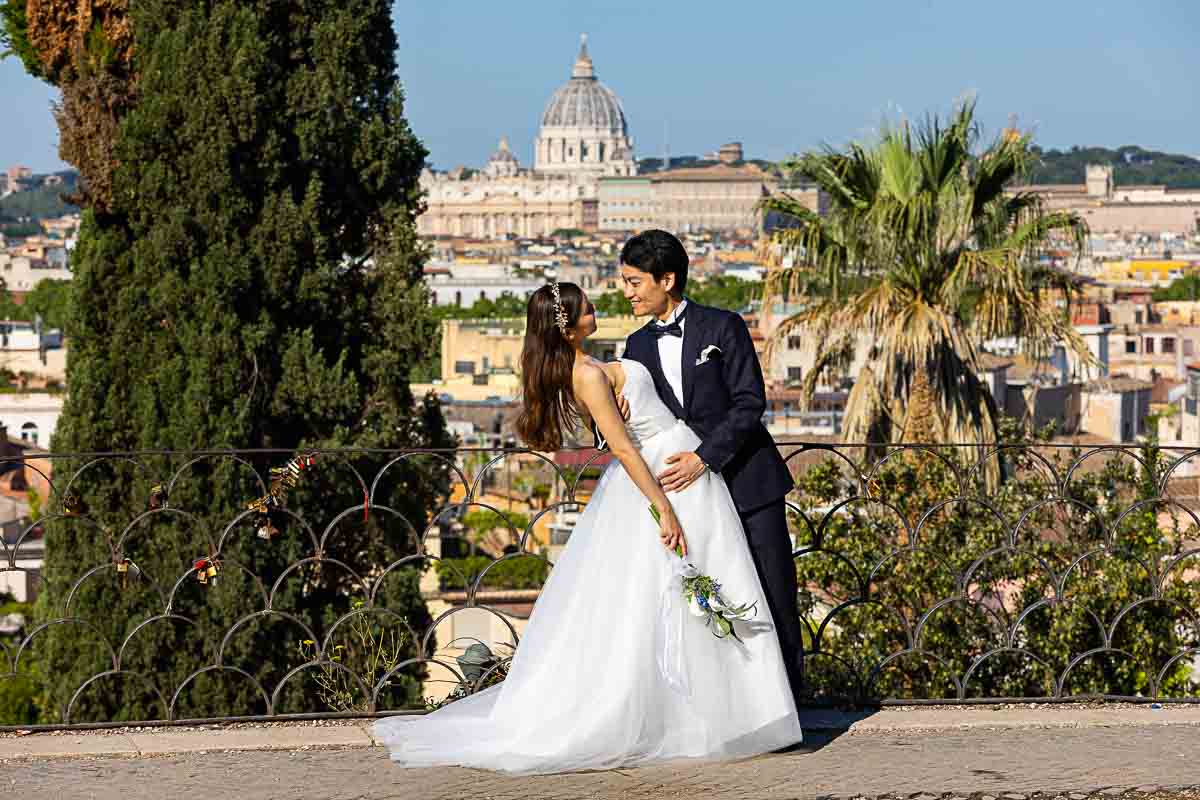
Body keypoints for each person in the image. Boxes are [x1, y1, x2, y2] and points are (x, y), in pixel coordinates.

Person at [373, 279, 802, 775]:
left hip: (675, 467)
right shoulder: (588, 374)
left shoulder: (593, 365)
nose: (601, 304)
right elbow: (622, 447)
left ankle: (716, 715)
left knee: (681, 595)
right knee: (682, 592)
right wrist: (662, 507)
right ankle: (715, 718)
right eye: (588, 305)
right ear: (569, 323)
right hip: (661, 477)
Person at [617, 229, 805, 705]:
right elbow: (635, 420)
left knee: (773, 591)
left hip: (747, 482)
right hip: (687, 500)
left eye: (634, 282)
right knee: (707, 600)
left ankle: (793, 705)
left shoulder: (724, 326)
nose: (627, 293)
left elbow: (749, 403)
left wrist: (705, 458)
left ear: (668, 279)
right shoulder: (634, 348)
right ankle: (730, 706)